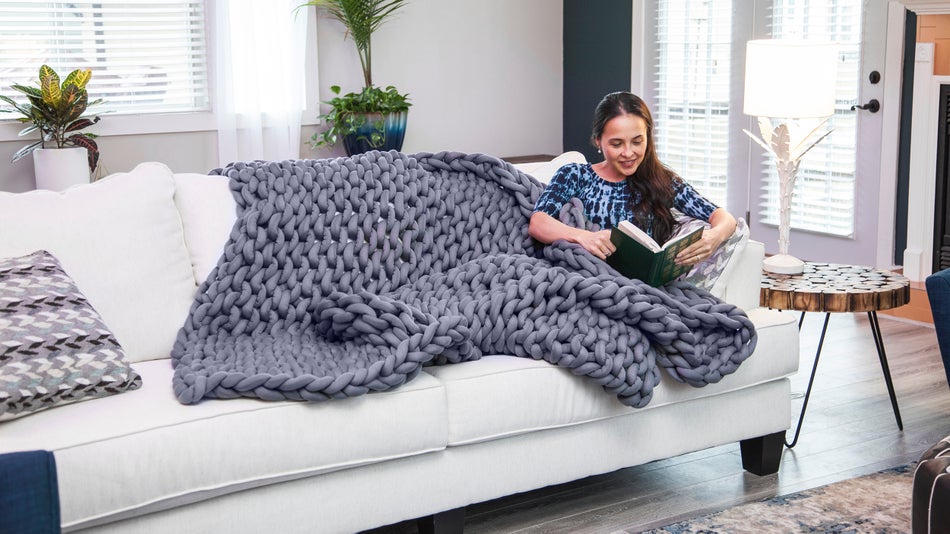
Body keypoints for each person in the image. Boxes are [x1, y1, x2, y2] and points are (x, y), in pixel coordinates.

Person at [528, 91, 737, 267]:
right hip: (585, 277)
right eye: (617, 144)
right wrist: (584, 237)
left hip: (639, 289)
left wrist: (714, 236)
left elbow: (723, 218)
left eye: (637, 141)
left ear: (647, 137)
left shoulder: (662, 181)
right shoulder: (576, 175)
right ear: (598, 141)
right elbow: (539, 222)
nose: (628, 153)